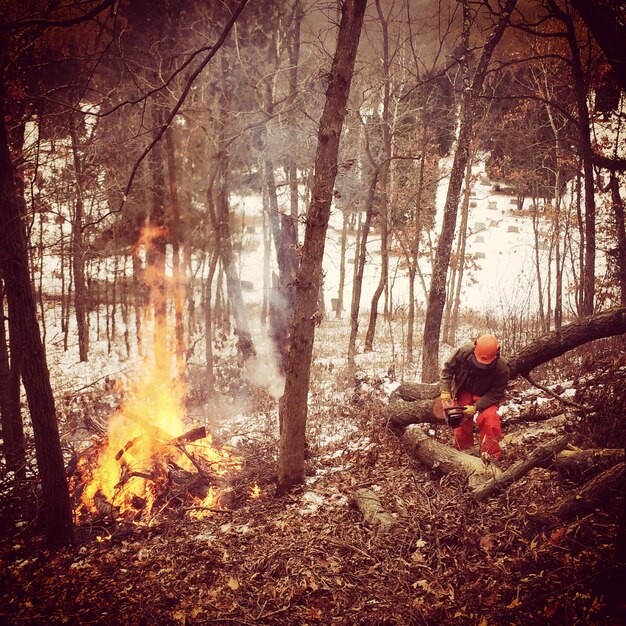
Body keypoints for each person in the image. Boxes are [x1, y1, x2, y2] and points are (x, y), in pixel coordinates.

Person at [439, 334, 510, 459]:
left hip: (486, 395)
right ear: (474, 348)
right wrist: (445, 391)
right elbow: (447, 370)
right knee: (460, 415)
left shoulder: (502, 368)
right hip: (465, 388)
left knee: (490, 419)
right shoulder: (464, 352)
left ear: (496, 354)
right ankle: (464, 451)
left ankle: (490, 455)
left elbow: (495, 393)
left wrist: (476, 407)